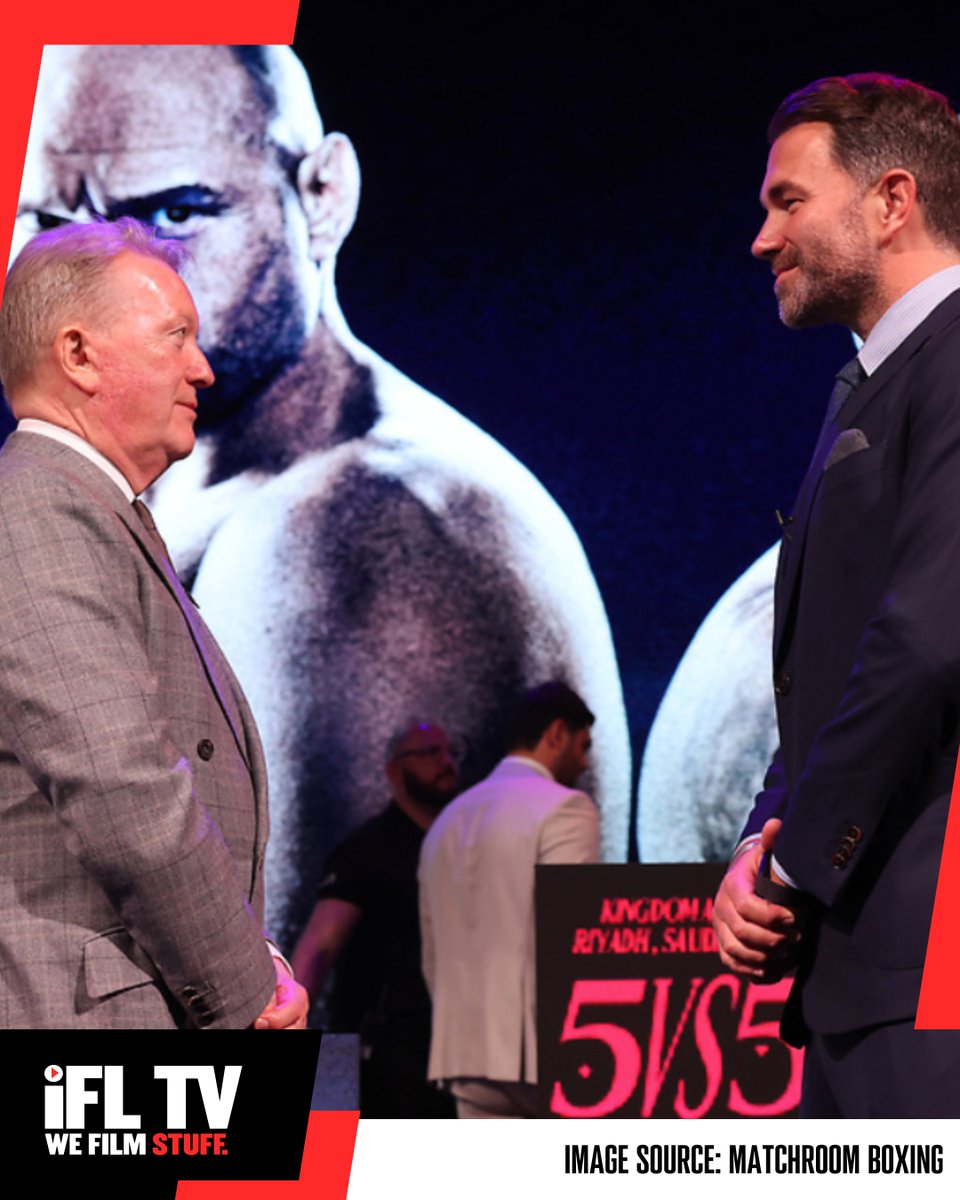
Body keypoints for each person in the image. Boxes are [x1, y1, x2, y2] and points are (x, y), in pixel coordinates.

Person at [14, 43, 631, 949]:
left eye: (176, 212)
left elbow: (315, 1017)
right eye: (55, 222)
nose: (119, 281)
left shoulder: (359, 533)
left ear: (322, 195)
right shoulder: (163, 484)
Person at [713, 73, 960, 1117]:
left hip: (929, 963)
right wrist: (763, 840)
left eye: (788, 201)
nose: (762, 239)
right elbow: (839, 662)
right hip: (866, 966)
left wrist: (795, 863)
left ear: (891, 201)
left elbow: (927, 642)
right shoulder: (878, 381)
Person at [0, 218, 307, 1030]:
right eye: (176, 336)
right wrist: (250, 995)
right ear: (78, 355)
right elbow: (122, 786)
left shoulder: (86, 510)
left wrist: (256, 962)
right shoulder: (39, 506)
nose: (203, 369)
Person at [418, 682, 599, 1118]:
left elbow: (432, 952)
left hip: (461, 1052)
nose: (585, 762)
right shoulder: (567, 808)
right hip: (542, 1049)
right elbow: (572, 937)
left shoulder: (447, 819)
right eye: (583, 745)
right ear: (556, 733)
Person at [291, 722, 459, 1117]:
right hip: (376, 1051)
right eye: (430, 753)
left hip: (446, 1047)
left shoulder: (464, 845)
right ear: (394, 771)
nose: (446, 762)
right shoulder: (368, 849)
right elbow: (319, 946)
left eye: (450, 752)